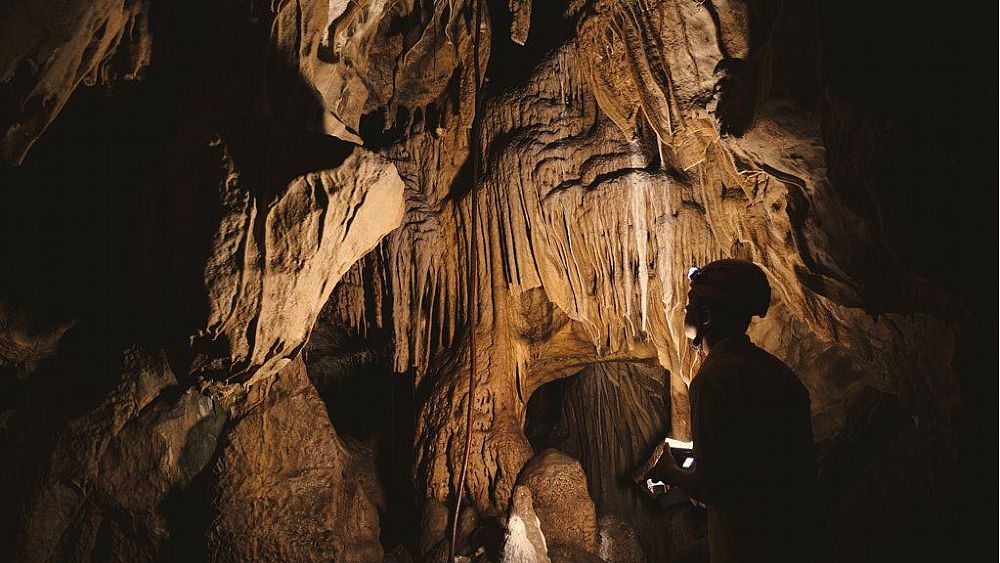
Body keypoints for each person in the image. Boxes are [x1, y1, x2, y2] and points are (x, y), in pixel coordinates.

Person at [635, 259, 818, 563]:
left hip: (746, 545)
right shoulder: (778, 373)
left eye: (690, 306)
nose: (685, 312)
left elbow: (714, 486)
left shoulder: (713, 380)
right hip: (792, 539)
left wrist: (669, 471)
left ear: (706, 316)